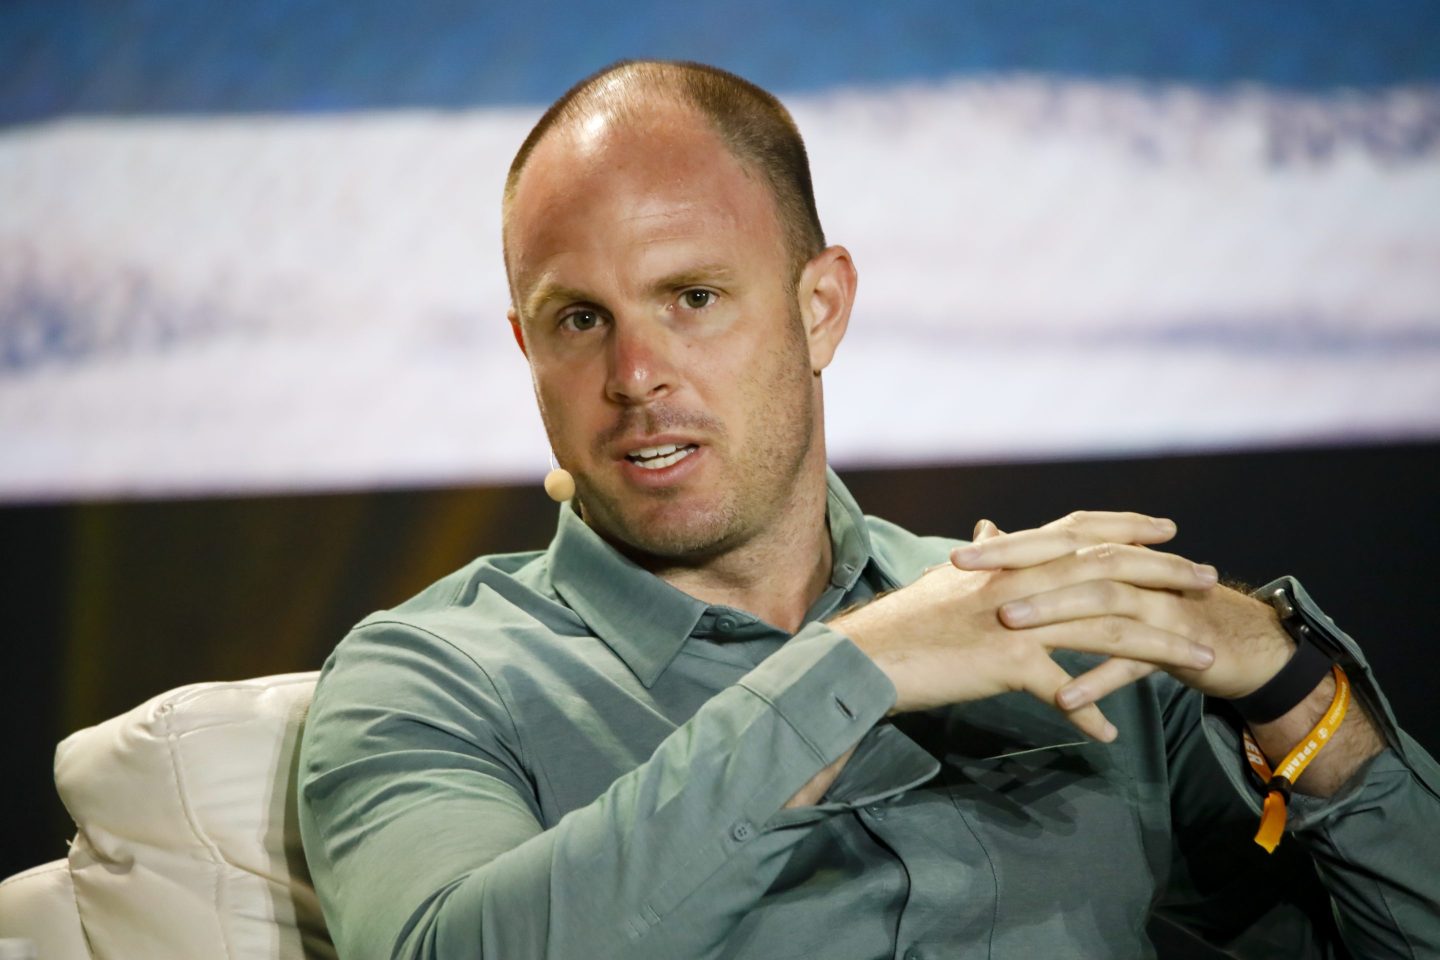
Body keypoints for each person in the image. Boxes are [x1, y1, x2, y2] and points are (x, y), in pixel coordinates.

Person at [298, 60, 1439, 959]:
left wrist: (1288, 683)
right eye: (578, 320)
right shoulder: (433, 678)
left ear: (822, 308)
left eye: (693, 297)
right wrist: (852, 672)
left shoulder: (1054, 627)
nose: (636, 374)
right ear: (527, 349)